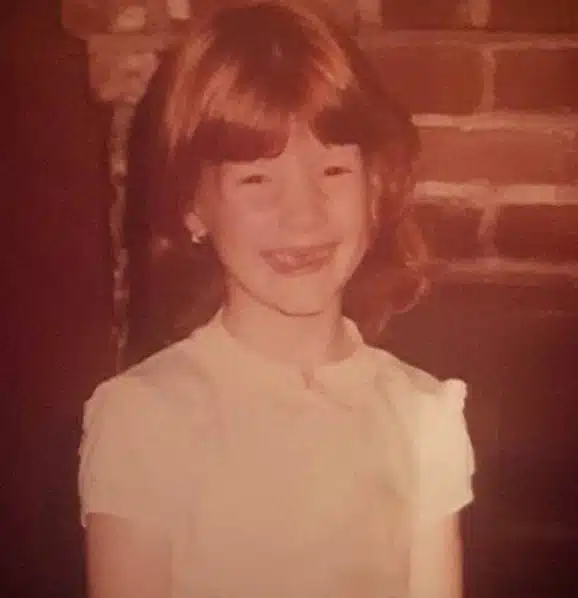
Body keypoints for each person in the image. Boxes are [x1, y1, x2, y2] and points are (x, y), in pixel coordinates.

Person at [78, 2, 475, 597]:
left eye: (333, 171)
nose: (303, 215)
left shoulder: (422, 417)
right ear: (192, 207)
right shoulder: (145, 419)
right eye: (256, 179)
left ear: (375, 188)